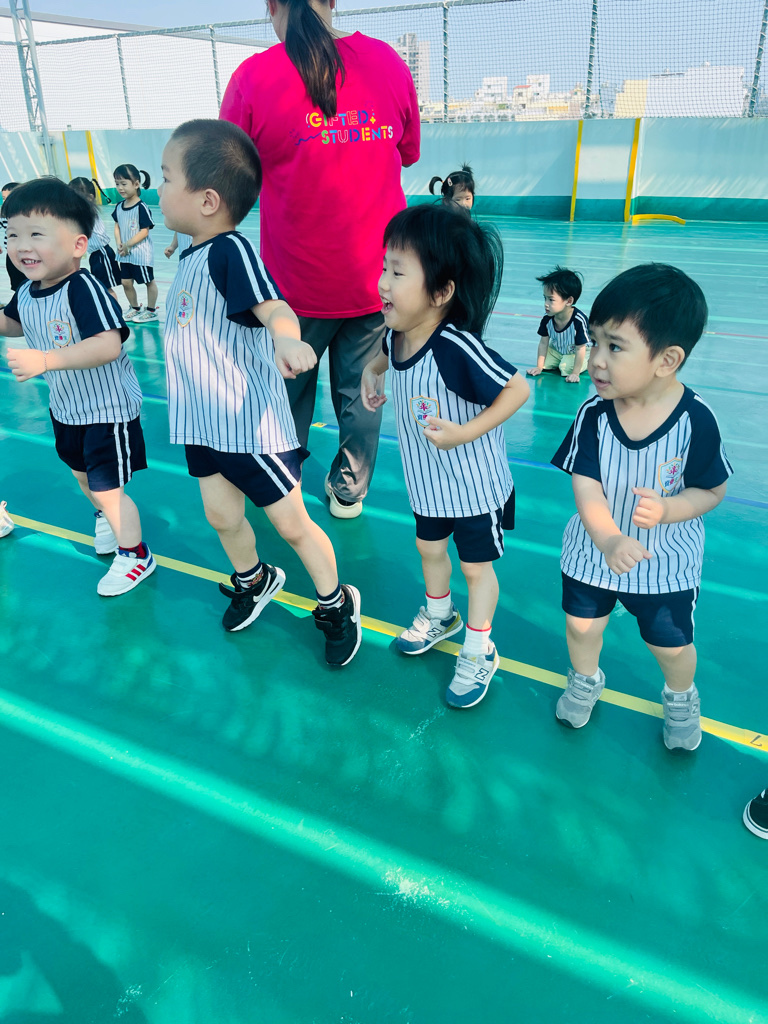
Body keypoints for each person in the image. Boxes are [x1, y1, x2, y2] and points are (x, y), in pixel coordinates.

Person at [158, 118, 361, 667]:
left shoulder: (230, 252)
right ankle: (254, 579)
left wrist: (288, 339)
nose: (159, 187)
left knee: (292, 524)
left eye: (167, 177)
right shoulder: (192, 255)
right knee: (221, 517)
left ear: (207, 200)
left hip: (248, 427)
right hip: (202, 425)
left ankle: (336, 603)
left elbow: (275, 307)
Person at [220, 0, 420, 519]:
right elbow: (407, 151)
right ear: (334, 1)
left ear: (271, 6)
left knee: (286, 393)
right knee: (362, 394)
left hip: (293, 288)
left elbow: (228, 178)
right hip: (377, 281)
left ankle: (282, 480)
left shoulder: (253, 78)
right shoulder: (387, 63)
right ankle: (349, 489)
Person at [551, 264, 732, 751]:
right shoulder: (593, 413)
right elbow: (587, 486)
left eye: (615, 347)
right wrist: (608, 538)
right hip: (595, 549)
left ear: (667, 360)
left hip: (664, 560)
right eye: (595, 341)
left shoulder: (696, 420)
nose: (596, 360)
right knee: (581, 626)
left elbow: (712, 490)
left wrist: (671, 510)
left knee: (669, 645)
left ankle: (681, 697)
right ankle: (585, 679)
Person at [361, 204, 529, 707]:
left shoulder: (454, 347)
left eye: (397, 272)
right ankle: (440, 616)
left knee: (476, 569)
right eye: (384, 267)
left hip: (474, 487)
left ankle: (479, 648)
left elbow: (517, 389)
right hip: (429, 484)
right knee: (429, 550)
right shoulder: (397, 333)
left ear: (440, 293)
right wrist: (372, 371)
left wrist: (465, 433)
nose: (382, 283)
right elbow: (386, 354)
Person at [1, 178, 154, 596]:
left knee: (108, 488)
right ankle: (105, 517)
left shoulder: (82, 288)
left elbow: (107, 344)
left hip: (107, 409)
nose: (21, 246)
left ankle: (136, 555)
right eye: (12, 235)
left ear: (78, 245)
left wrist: (46, 360)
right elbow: (12, 322)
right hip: (67, 407)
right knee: (82, 475)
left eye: (36, 234)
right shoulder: (27, 291)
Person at [112, 164, 158, 323]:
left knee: (148, 281)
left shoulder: (141, 207)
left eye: (124, 184)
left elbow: (145, 231)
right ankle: (134, 307)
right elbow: (117, 226)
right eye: (117, 184)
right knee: (126, 282)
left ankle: (151, 311)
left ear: (136, 184)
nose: (120, 188)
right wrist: (119, 243)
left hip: (140, 254)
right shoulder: (119, 207)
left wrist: (128, 245)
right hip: (125, 254)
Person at [527, 266, 589, 384]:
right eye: (545, 298)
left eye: (551, 300)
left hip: (577, 351)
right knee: (544, 364)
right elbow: (543, 343)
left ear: (569, 301)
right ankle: (561, 360)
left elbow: (580, 348)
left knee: (565, 368)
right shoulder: (547, 319)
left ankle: (587, 361)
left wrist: (575, 373)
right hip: (557, 350)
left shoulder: (578, 320)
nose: (546, 304)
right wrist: (539, 367)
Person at [68, 177, 121, 301]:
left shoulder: (89, 213)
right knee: (101, 287)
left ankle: (114, 309)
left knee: (106, 288)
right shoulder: (83, 212)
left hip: (103, 253)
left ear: (90, 198)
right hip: (96, 255)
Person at [2, 182, 24, 299]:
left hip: (25, 253)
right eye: (4, 198)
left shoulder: (26, 215)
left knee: (28, 281)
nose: (6, 202)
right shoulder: (4, 216)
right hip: (11, 255)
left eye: (8, 198)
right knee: (17, 284)